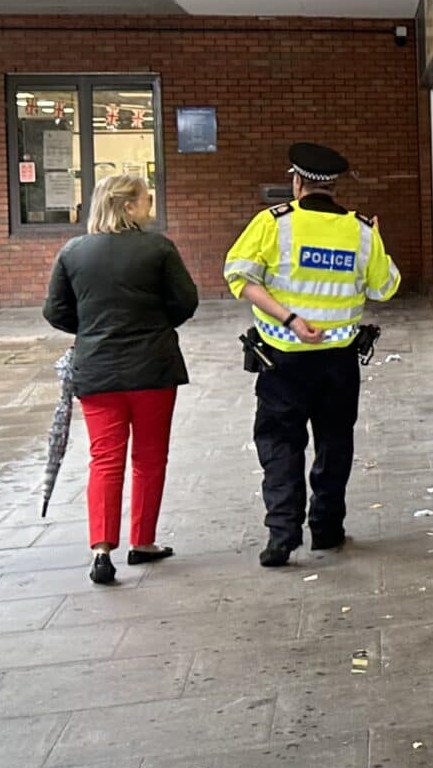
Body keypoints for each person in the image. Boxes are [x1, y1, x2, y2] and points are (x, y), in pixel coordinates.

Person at [222, 142, 400, 567]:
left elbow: (238, 277)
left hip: (283, 360)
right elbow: (385, 288)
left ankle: (282, 536)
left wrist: (290, 320)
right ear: (333, 186)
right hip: (338, 362)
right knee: (334, 442)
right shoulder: (360, 231)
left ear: (297, 181)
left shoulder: (272, 224)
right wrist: (378, 240)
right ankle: (326, 529)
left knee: (280, 442)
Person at [43, 172, 199, 587]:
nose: (151, 205)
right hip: (153, 367)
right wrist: (156, 323)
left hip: (97, 369)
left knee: (105, 458)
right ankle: (142, 541)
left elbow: (54, 311)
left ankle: (100, 549)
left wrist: (91, 327)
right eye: (146, 199)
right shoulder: (158, 248)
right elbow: (187, 301)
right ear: (127, 206)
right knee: (149, 457)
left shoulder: (73, 252)